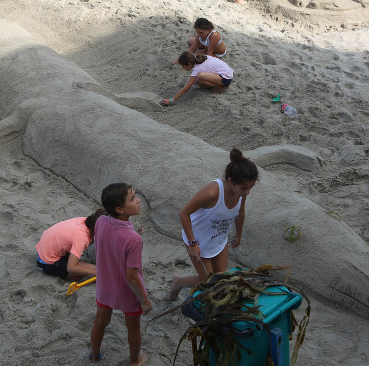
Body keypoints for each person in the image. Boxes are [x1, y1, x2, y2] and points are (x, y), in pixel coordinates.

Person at [168, 149, 258, 300]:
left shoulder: (241, 193)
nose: (248, 191)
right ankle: (179, 282)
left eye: (251, 187)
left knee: (221, 282)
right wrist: (192, 243)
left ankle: (182, 282)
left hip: (219, 240)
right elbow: (184, 213)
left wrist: (239, 233)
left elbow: (240, 212)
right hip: (198, 241)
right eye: (245, 188)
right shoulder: (212, 192)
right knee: (209, 283)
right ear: (230, 181)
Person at [90, 183, 152, 366]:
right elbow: (132, 277)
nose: (138, 200)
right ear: (119, 209)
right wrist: (144, 300)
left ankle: (94, 355)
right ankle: (135, 361)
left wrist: (131, 230)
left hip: (105, 286)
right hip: (127, 292)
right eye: (132, 198)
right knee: (133, 327)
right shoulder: (134, 239)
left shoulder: (100, 221)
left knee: (100, 321)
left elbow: (111, 239)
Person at [36, 210, 105, 280]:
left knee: (93, 268)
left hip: (42, 250)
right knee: (84, 274)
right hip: (47, 262)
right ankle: (64, 276)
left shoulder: (84, 220)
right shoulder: (81, 239)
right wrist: (97, 273)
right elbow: (71, 268)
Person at [160, 52, 234, 106]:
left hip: (226, 78)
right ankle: (219, 85)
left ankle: (221, 87)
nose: (183, 68)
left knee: (200, 76)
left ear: (189, 64)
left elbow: (185, 89)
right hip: (227, 72)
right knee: (199, 83)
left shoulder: (197, 69)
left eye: (183, 66)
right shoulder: (198, 58)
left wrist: (170, 100)